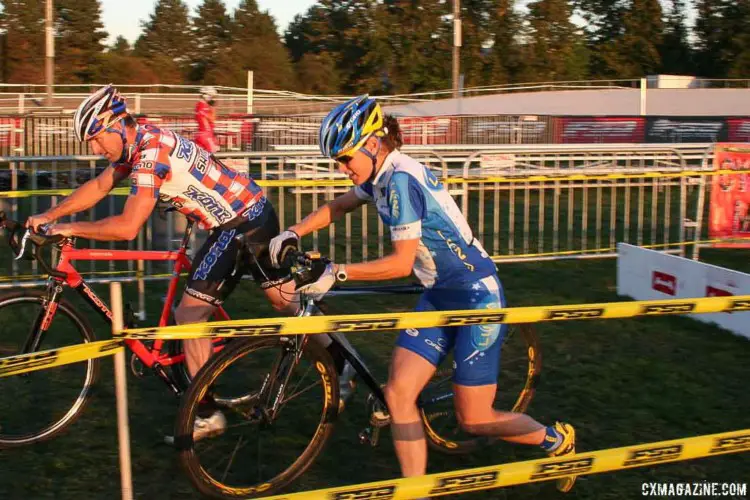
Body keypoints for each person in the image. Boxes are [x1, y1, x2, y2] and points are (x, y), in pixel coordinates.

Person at [268, 95, 578, 492]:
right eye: (338, 162)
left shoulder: (399, 181)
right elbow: (340, 205)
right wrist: (294, 231)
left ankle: (557, 441)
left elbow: (400, 263)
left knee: (475, 419)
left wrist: (337, 272)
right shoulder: (379, 174)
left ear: (373, 143)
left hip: (475, 297)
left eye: (345, 159)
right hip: (438, 293)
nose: (342, 169)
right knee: (398, 395)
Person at [25, 85, 349, 441]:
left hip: (243, 221)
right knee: (285, 302)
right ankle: (341, 360)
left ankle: (209, 412)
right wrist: (51, 213)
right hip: (240, 215)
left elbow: (128, 227)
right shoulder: (138, 142)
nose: (95, 148)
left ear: (118, 124)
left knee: (193, 314)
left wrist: (68, 227)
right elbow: (100, 186)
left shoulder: (150, 154)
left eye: (97, 138)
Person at [195, 86, 218, 154]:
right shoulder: (204, 106)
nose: (214, 99)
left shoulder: (199, 105)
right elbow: (212, 119)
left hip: (202, 134)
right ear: (207, 96)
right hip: (206, 135)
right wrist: (212, 108)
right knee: (213, 156)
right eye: (212, 97)